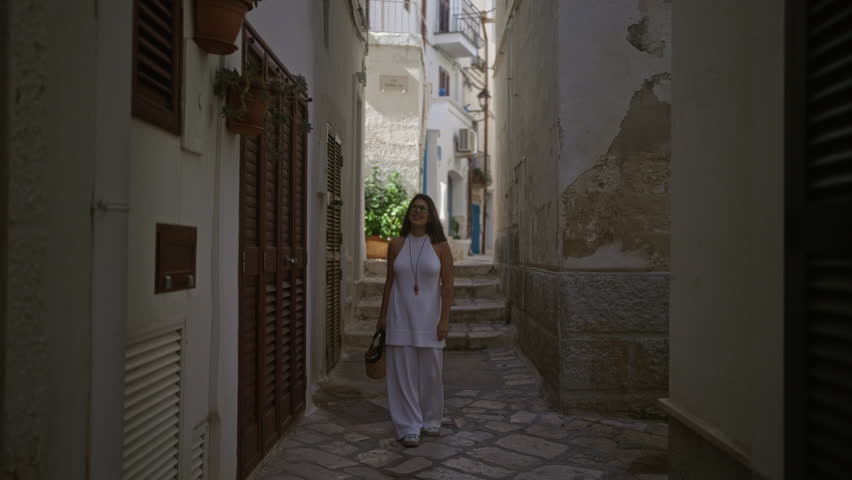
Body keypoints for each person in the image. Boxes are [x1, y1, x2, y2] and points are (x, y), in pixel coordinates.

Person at [376, 193, 454, 448]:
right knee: (403, 375)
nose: (417, 212)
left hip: (430, 319)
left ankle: (431, 420)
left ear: (430, 215)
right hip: (400, 316)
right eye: (414, 208)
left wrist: (444, 321)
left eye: (423, 208)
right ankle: (408, 426)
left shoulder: (440, 246)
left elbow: (449, 284)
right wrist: (382, 316)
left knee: (431, 373)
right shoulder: (397, 244)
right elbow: (390, 282)